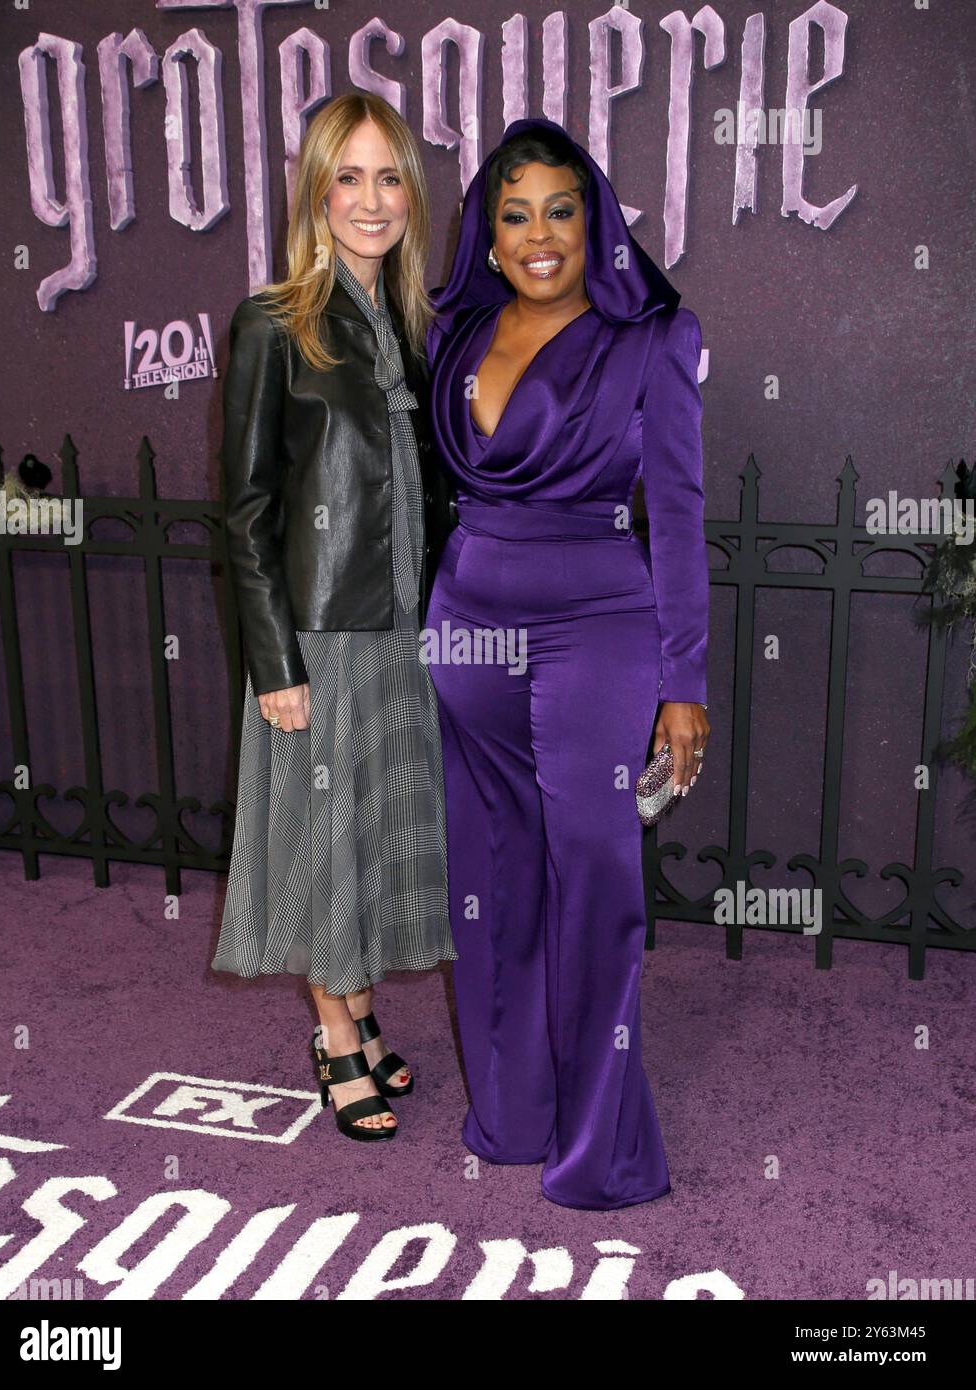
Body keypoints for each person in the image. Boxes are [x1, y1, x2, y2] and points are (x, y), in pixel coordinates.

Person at [425, 117, 711, 1208]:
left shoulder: (651, 336)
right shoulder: (459, 332)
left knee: (594, 875)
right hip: (465, 624)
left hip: (596, 618)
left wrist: (682, 678)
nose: (539, 233)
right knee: (490, 876)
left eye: (560, 208)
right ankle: (513, 1112)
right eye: (514, 214)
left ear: (592, 220)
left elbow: (677, 514)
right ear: (487, 235)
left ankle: (603, 1146)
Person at [211, 92, 458, 1142]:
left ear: (411, 193)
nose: (369, 199)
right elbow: (246, 507)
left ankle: (359, 1007)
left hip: (405, 633)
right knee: (320, 838)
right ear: (316, 190)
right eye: (347, 176)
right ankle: (334, 1039)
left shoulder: (415, 323)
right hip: (318, 635)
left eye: (388, 176)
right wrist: (275, 662)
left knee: (369, 831)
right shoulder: (274, 322)